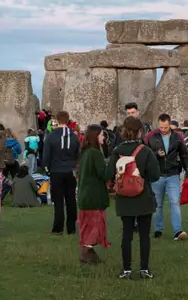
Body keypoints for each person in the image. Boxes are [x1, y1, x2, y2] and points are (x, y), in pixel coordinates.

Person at [106, 116, 161, 280]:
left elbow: (108, 174)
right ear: (139, 132)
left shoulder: (117, 151)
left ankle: (126, 270)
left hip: (124, 197)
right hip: (143, 195)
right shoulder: (145, 151)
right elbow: (155, 175)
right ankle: (144, 269)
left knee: (127, 234)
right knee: (144, 234)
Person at [144, 113, 188, 241]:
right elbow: (145, 154)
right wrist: (156, 154)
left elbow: (184, 154)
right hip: (157, 175)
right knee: (158, 204)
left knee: (175, 202)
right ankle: (158, 229)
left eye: (165, 127)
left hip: (172, 174)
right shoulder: (151, 136)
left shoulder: (178, 137)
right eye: (161, 127)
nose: (163, 130)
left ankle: (177, 231)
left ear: (170, 124)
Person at [42, 111, 81, 236]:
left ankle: (58, 228)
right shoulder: (74, 136)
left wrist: (46, 168)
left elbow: (46, 155)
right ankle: (71, 228)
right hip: (70, 171)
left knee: (58, 200)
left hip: (56, 171)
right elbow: (78, 154)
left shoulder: (51, 136)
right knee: (71, 199)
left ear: (57, 120)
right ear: (68, 120)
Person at [77, 125, 110, 264]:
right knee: (94, 225)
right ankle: (87, 250)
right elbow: (103, 174)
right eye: (102, 135)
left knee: (87, 224)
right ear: (95, 136)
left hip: (85, 194)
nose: (103, 138)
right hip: (94, 195)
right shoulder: (95, 153)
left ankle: (87, 251)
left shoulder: (85, 152)